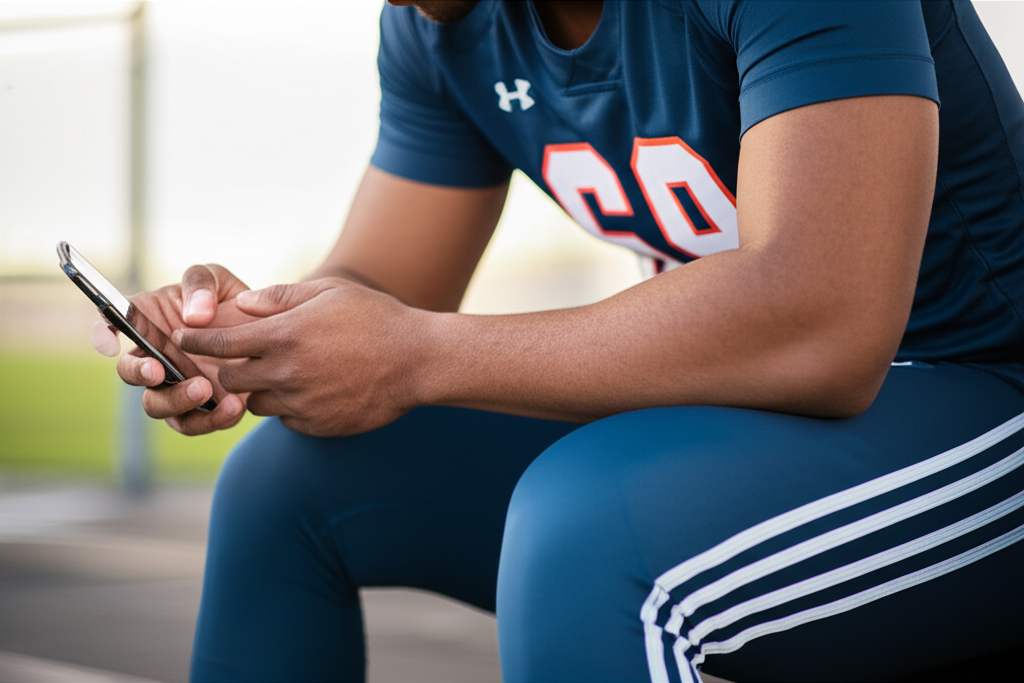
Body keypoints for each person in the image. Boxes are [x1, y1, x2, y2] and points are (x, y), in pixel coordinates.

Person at [93, 1, 1024, 681]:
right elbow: (379, 284)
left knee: (591, 526)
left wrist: (417, 352)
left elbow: (824, 322)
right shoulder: (437, 22)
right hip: (753, 406)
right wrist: (248, 335)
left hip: (982, 392)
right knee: (288, 478)